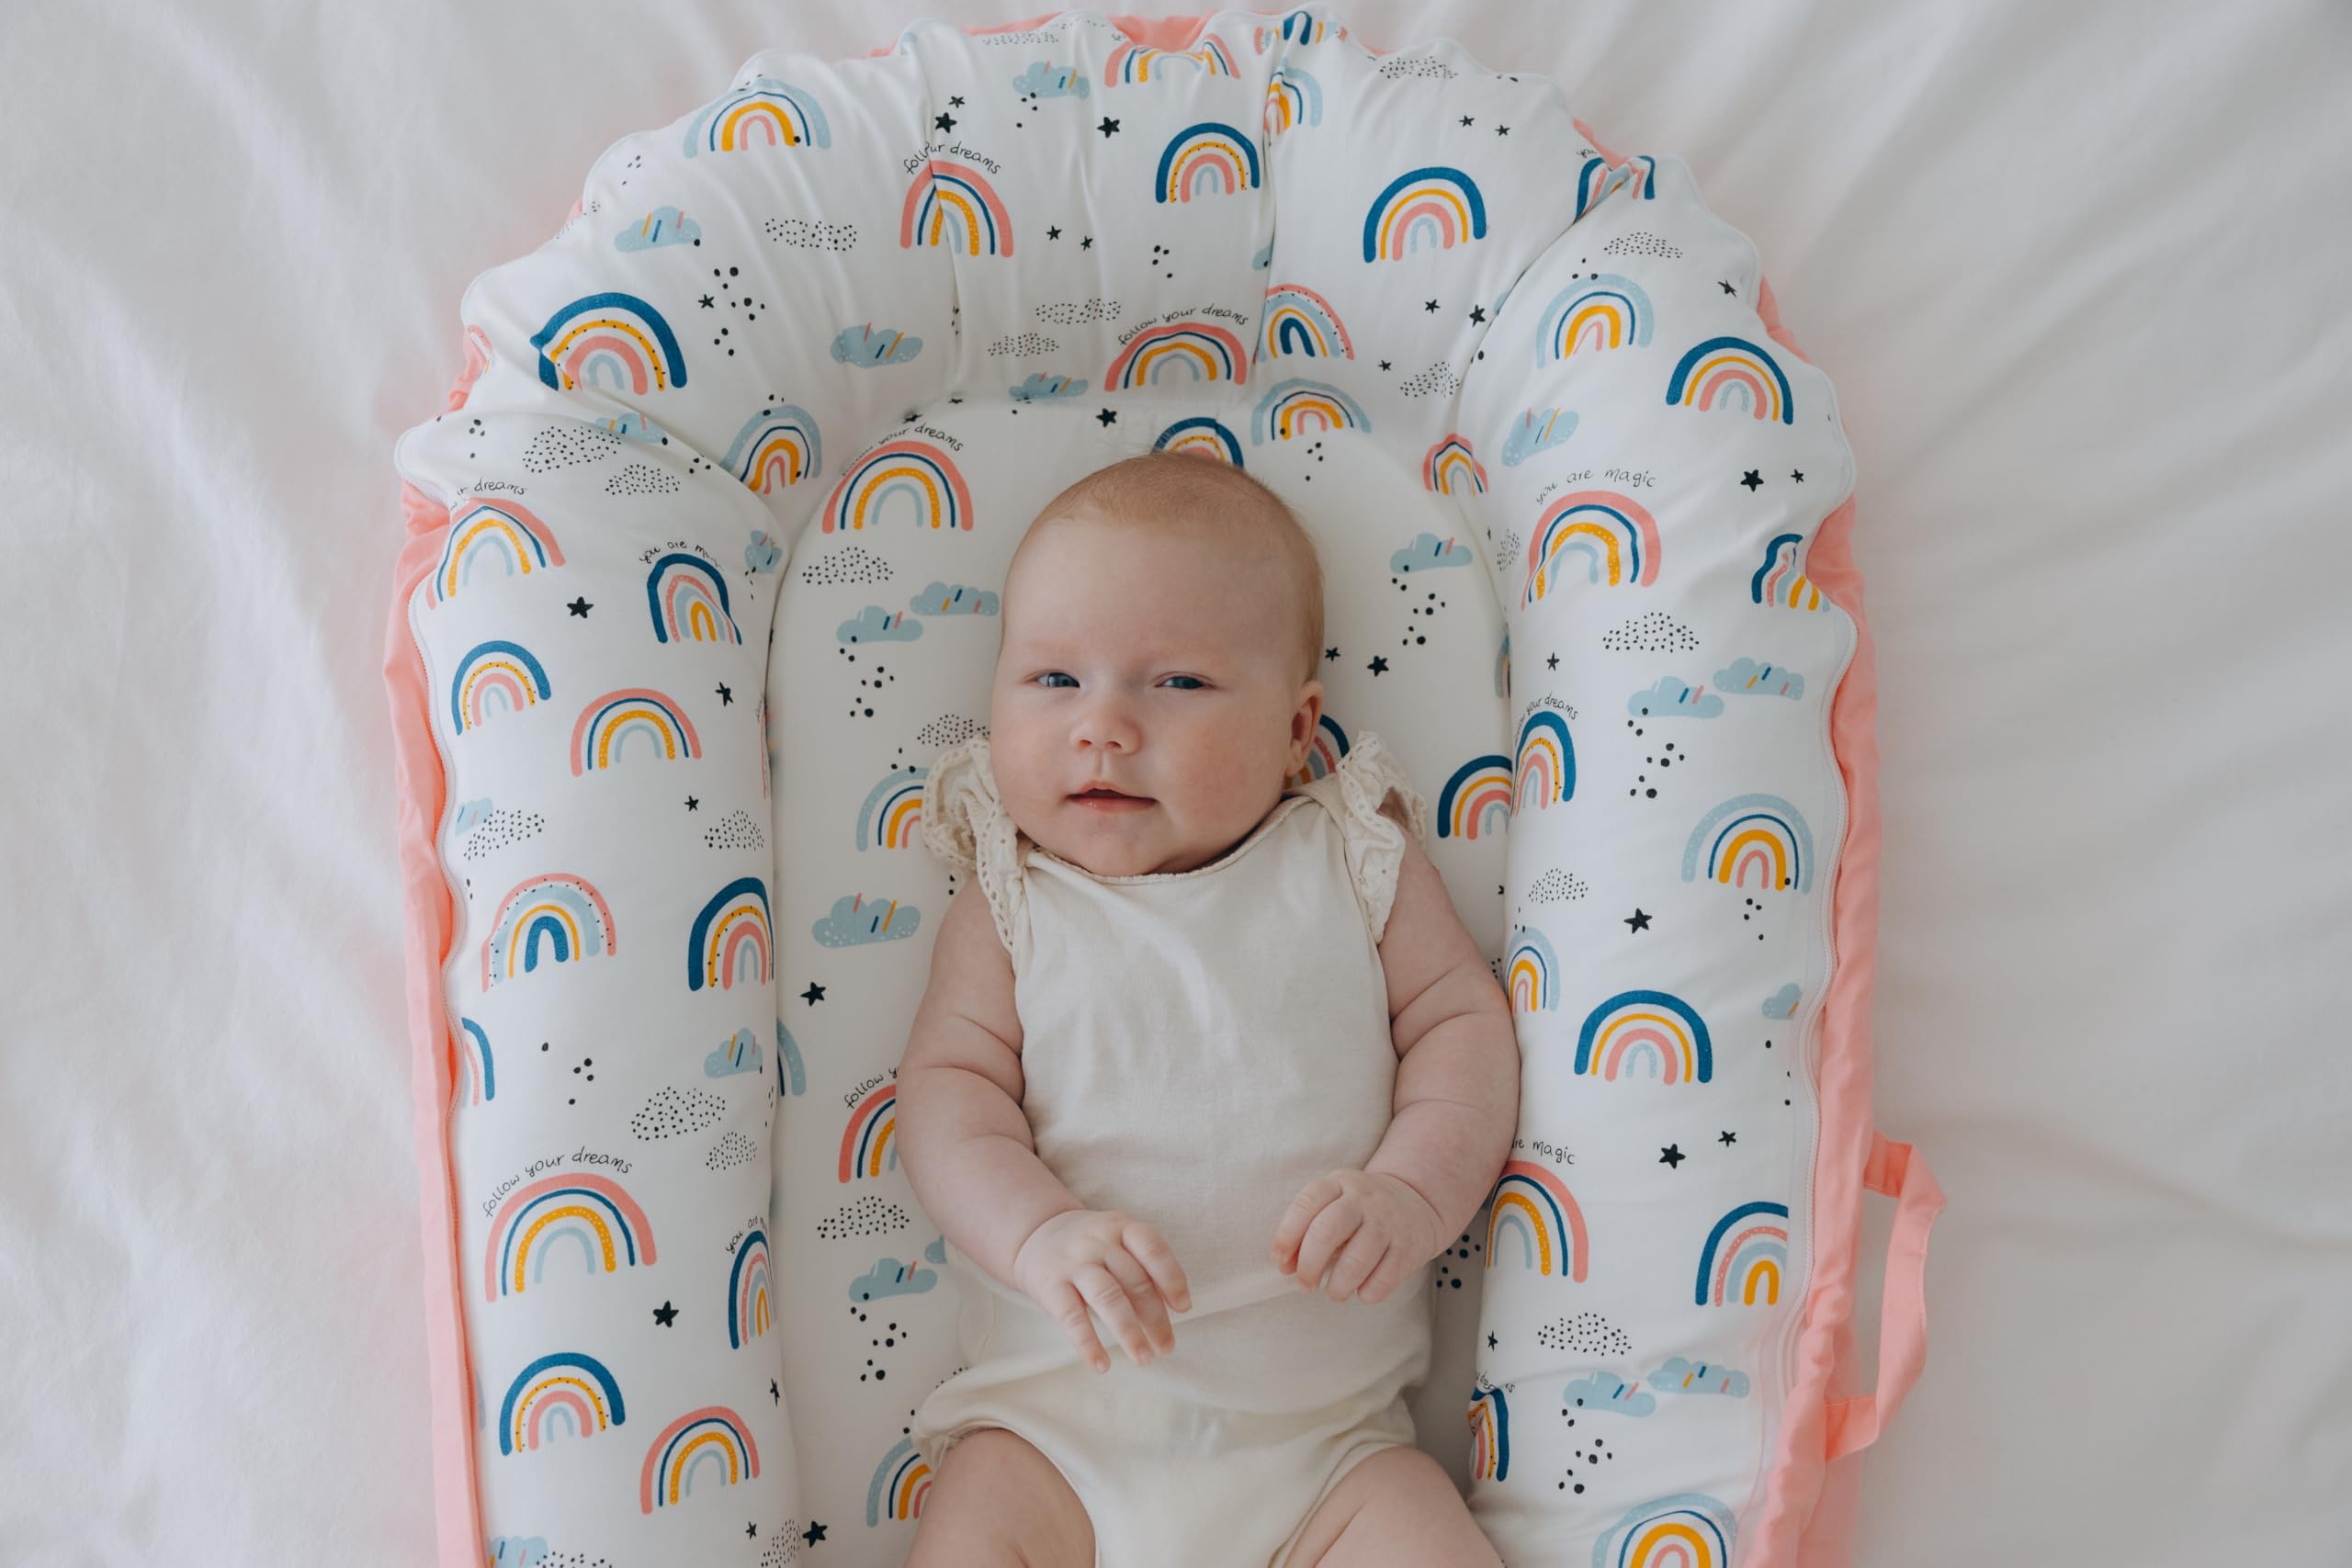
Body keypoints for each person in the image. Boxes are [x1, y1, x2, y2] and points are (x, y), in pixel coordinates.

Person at [896, 449, 1518, 1567]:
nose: (1102, 726)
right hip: (1060, 1436)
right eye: (1052, 680)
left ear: (1296, 728)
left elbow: (1460, 1027)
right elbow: (947, 1097)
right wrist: (1038, 1235)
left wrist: (1412, 1192)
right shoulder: (1012, 899)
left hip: (1327, 1457)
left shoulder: (1350, 856)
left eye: (1176, 684)